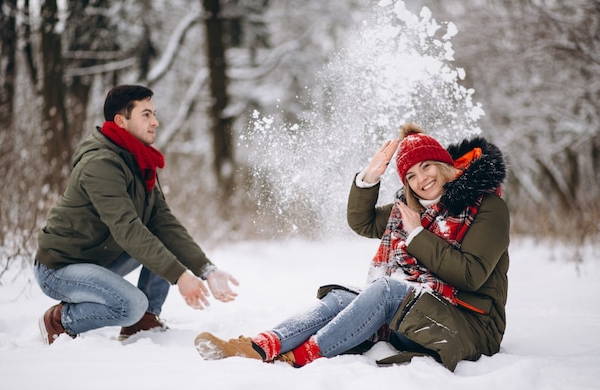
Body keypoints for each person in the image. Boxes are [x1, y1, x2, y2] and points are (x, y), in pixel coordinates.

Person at [194, 122, 509, 371]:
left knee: (386, 290)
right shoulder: (415, 209)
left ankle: (302, 357)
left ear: (442, 163)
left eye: (426, 166)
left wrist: (417, 237)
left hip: (471, 327)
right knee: (342, 298)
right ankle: (261, 345)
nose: (420, 179)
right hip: (423, 313)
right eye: (410, 175)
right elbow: (364, 222)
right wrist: (370, 177)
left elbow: (471, 275)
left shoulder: (488, 207)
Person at [34, 84, 239, 345]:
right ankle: (60, 320)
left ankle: (144, 322)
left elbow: (163, 223)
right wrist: (179, 275)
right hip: (60, 268)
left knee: (162, 240)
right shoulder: (100, 164)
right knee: (130, 305)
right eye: (146, 115)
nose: (156, 121)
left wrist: (206, 270)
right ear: (121, 121)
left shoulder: (139, 160)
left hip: (98, 258)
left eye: (154, 113)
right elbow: (127, 229)